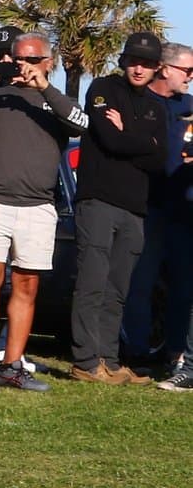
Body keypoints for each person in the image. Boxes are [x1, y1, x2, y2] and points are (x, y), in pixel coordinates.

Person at [0, 32, 89, 395]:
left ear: (47, 62)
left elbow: (81, 125)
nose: (20, 65)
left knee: (27, 285)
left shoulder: (55, 101)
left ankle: (13, 364)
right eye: (16, 58)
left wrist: (44, 88)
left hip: (38, 205)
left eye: (29, 59)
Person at [70, 30, 168, 383]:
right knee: (92, 283)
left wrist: (130, 134)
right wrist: (141, 138)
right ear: (123, 60)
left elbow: (160, 159)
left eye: (147, 63)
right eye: (134, 61)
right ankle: (85, 360)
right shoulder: (102, 88)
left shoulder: (157, 107)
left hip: (134, 208)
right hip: (98, 201)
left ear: (157, 68)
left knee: (118, 290)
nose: (139, 69)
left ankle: (109, 361)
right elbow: (110, 140)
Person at [129, 44, 193, 385]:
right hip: (146, 207)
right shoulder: (140, 101)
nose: (191, 78)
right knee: (141, 281)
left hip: (184, 210)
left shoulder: (190, 105)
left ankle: (177, 354)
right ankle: (136, 353)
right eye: (188, 71)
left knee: (183, 285)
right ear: (166, 69)